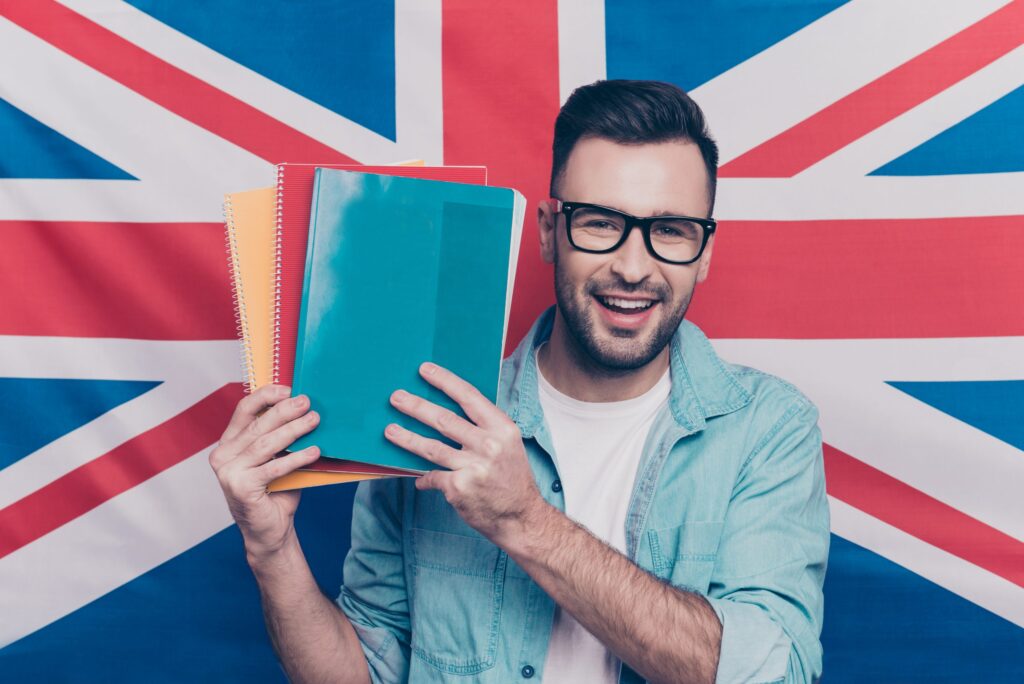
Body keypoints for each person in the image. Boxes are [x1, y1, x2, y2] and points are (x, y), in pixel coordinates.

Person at [210, 79, 830, 684]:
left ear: (705, 252)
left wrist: (524, 519)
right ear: (547, 230)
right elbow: (368, 672)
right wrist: (272, 552)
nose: (633, 267)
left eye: (670, 231)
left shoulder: (767, 427)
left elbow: (774, 673)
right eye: (599, 222)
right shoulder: (429, 417)